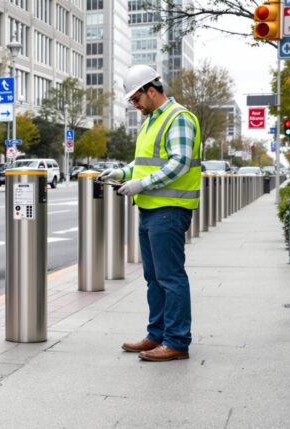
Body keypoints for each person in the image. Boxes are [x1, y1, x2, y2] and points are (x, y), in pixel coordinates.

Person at [98, 65, 202, 362]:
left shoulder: (178, 118)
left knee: (170, 277)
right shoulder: (150, 121)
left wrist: (142, 183)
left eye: (135, 98)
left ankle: (177, 341)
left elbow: (179, 162)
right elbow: (144, 162)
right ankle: (157, 334)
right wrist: (122, 171)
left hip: (169, 209)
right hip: (150, 208)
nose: (134, 104)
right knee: (153, 277)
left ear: (151, 90)